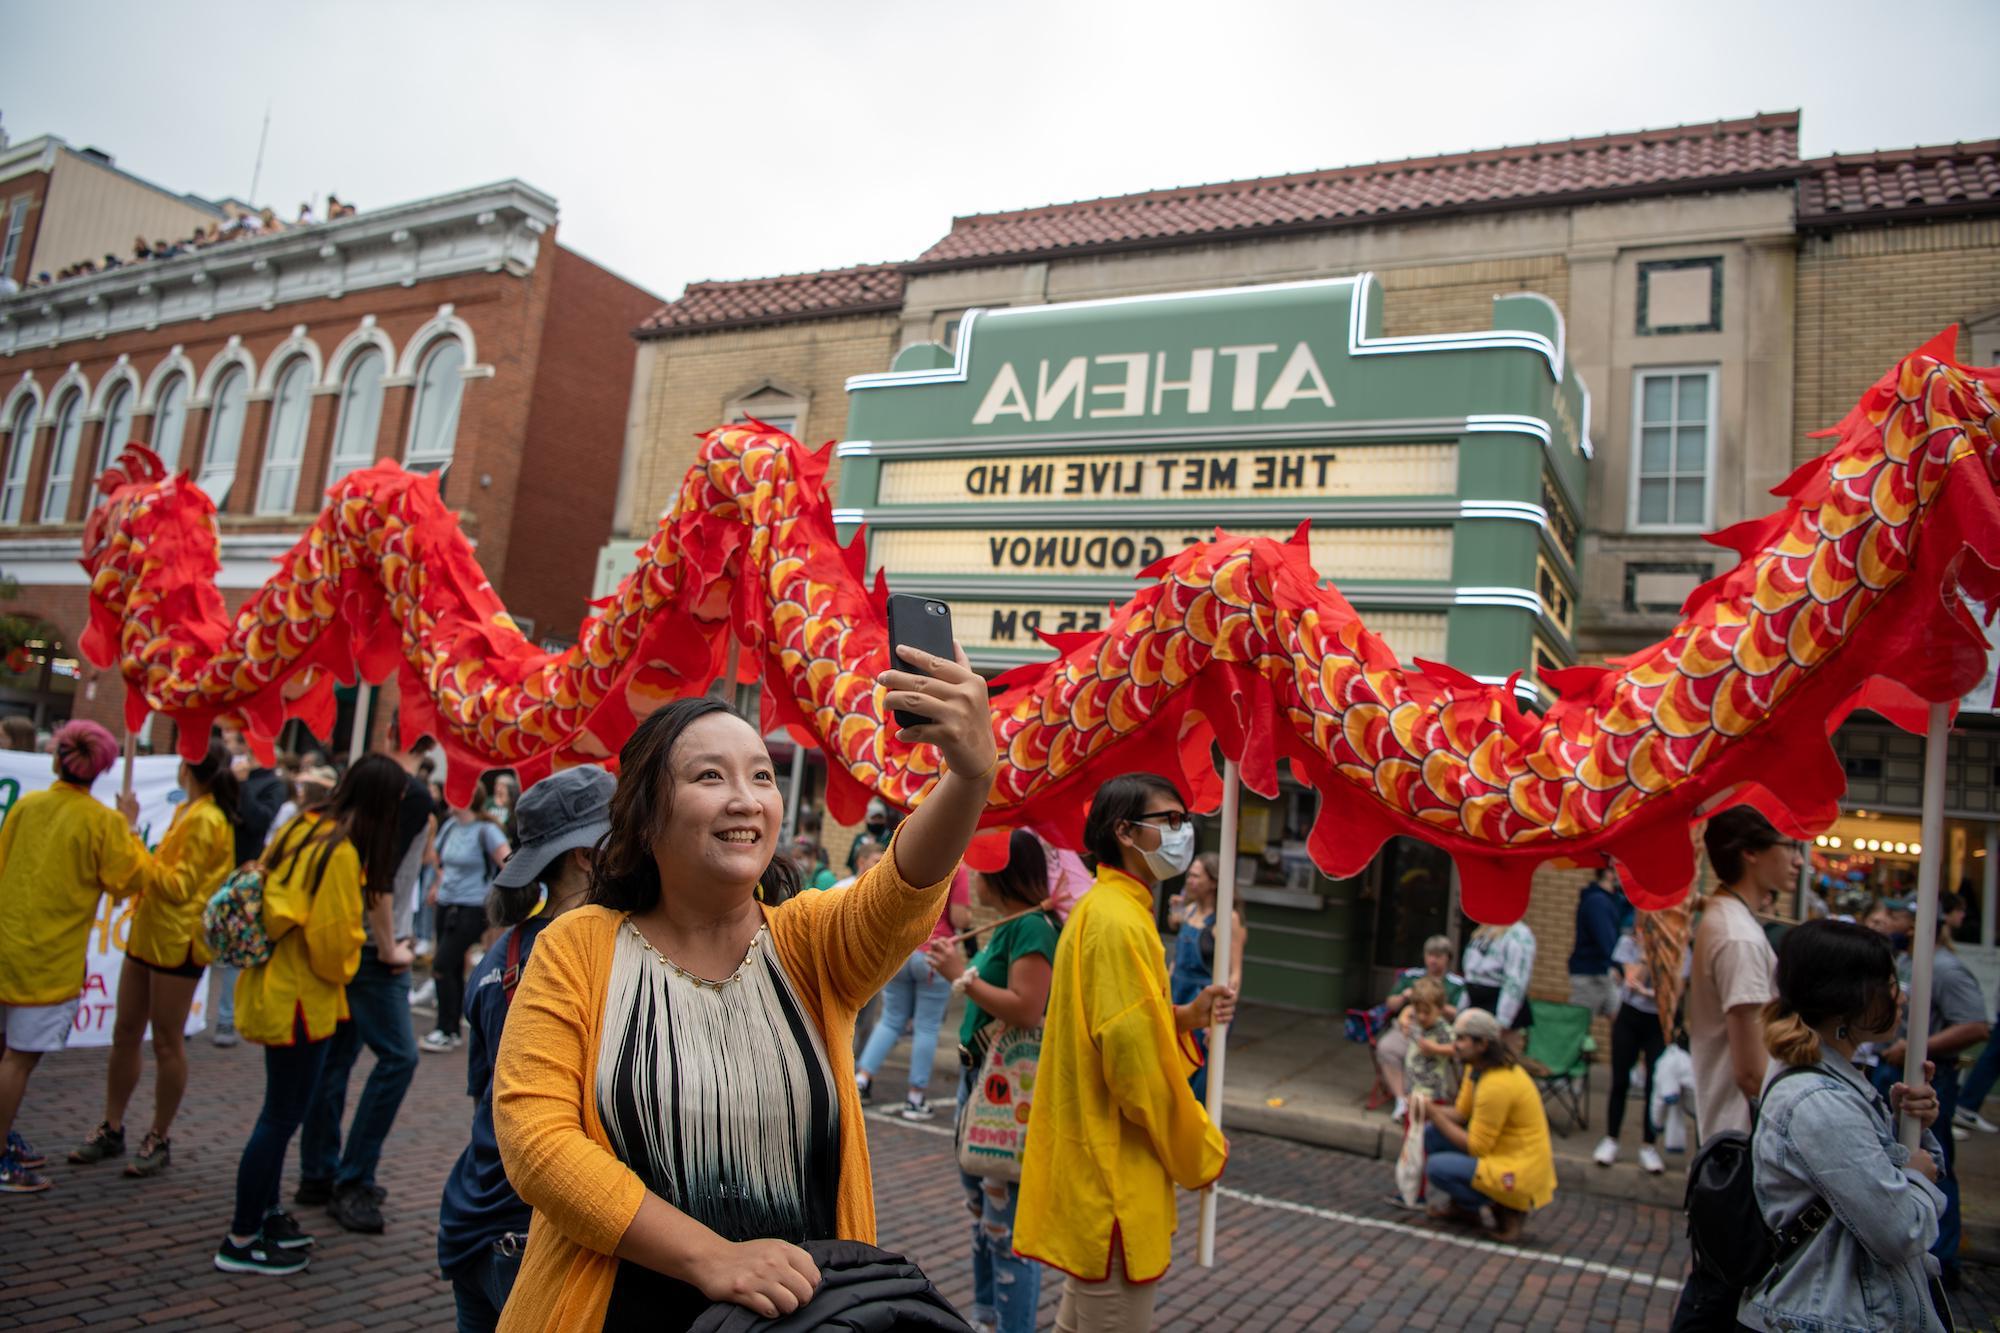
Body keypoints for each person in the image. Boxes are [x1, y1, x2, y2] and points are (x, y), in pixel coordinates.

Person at [491, 639, 993, 1331]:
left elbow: (901, 889)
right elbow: (538, 1142)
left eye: (761, 776)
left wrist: (968, 777)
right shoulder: (576, 946)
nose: (746, 799)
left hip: (799, 1317)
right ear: (645, 812)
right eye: (709, 776)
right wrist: (711, 1257)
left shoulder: (812, 942)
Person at [1015, 773, 1233, 1332]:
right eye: (1172, 820)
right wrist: (1199, 1149)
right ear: (1125, 831)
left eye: (1187, 821)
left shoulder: (1113, 909)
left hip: (1098, 1173)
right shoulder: (1116, 919)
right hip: (1111, 1177)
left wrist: (1185, 1017)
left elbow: (1122, 1031)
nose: (1184, 833)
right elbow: (1137, 1071)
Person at [438, 765, 613, 1333]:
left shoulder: (500, 956)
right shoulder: (584, 959)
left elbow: (485, 1098)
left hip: (472, 1218)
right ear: (587, 855)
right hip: (528, 1237)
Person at [213, 756, 398, 1275]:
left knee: (280, 1113)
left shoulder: (303, 822)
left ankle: (265, 1215)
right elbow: (334, 942)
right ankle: (242, 1236)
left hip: (276, 986)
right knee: (278, 1118)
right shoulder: (340, 851)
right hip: (301, 999)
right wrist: (357, 952)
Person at [1739, 919, 1949, 1332]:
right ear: (1851, 999)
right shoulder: (1820, 1102)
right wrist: (1917, 1176)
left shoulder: (1833, 1085)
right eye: (1889, 984)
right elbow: (1898, 1230)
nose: (1901, 997)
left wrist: (1913, 1128)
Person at [69, 737, 238, 1178]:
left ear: (189, 769)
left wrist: (130, 834)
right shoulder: (190, 812)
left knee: (166, 1040)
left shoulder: (206, 819)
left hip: (177, 944)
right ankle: (113, 1125)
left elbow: (179, 886)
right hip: (149, 937)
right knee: (126, 1031)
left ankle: (159, 1135)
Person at [0, 721, 143, 1194]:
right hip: (48, 961)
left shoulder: (26, 806)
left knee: (7, 1055)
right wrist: (127, 825)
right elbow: (126, 880)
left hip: (6, 945)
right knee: (18, 1061)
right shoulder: (100, 821)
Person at [923, 829, 1055, 1333]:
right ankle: (987, 1320)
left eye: (979, 866)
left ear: (1003, 871)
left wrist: (963, 974)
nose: (971, 877)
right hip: (979, 1080)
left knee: (1005, 1232)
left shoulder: (1034, 929)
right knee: (982, 1218)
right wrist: (960, 969)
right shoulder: (1009, 926)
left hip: (1005, 1090)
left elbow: (1027, 1008)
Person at [1671, 805, 1793, 1329]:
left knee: (1721, 1289)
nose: (1796, 863)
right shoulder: (1739, 937)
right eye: (1786, 847)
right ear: (1751, 854)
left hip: (1729, 1134)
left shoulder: (1726, 919)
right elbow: (1751, 1070)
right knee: (1719, 1293)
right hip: (1742, 1142)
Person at [295, 760, 428, 1233]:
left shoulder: (322, 823)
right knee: (398, 1058)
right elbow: (381, 884)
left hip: (348, 951)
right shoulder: (378, 819)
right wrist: (392, 947)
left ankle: (319, 1174)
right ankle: (350, 1179)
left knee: (336, 1060)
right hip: (370, 954)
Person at [1875, 894, 1987, 1289]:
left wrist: (1918, 1048)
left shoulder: (1947, 969)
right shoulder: (1908, 960)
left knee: (1936, 1162)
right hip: (1895, 1070)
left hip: (1930, 1076)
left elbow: (1976, 1026)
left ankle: (1944, 1258)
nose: (1890, 921)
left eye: (1899, 917)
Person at [1422, 1007, 1556, 1242]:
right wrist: (1425, 1107)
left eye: (1461, 1039)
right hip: (1502, 1153)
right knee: (1433, 1134)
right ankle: (1465, 1209)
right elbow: (1462, 1114)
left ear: (1482, 1044)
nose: (1455, 1044)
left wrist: (1434, 1113)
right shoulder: (1476, 1067)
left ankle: (1506, 1207)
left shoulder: (1497, 1084)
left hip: (1517, 1170)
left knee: (1436, 1167)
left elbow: (1477, 1146)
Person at [854, 861, 970, 1120]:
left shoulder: (908, 854)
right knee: (926, 1027)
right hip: (934, 953)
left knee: (890, 1020)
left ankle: (861, 1080)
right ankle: (915, 1097)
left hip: (902, 949)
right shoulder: (957, 868)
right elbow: (961, 917)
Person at [217, 731, 295, 1049]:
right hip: (216, 867)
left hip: (243, 875)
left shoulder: (271, 785)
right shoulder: (228, 777)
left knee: (235, 947)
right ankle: (192, 1014)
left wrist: (243, 785)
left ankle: (225, 1019)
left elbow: (260, 820)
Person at [424, 801, 511, 1053]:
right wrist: (437, 885)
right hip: (445, 904)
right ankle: (449, 1027)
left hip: (473, 907)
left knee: (441, 964)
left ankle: (446, 1028)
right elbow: (437, 860)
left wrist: (499, 899)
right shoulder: (451, 826)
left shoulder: (486, 830)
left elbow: (507, 863)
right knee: (450, 966)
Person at [1594, 926, 1675, 1174]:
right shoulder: (1629, 942)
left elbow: (1674, 992)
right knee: (1620, 1080)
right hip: (1629, 1017)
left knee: (1654, 1083)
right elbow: (1632, 982)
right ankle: (1611, 1139)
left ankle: (1648, 1146)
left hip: (1657, 1021)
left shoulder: (1677, 948)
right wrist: (1645, 955)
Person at [1168, 850, 1246, 1103]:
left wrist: (1220, 1020)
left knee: (1198, 1079)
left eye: (1196, 876)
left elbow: (1235, 974)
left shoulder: (1227, 919)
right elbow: (1176, 955)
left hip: (1205, 1004)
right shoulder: (1188, 912)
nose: (1189, 880)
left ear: (1213, 882)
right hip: (1178, 997)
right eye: (1189, 875)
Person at [1374, 936, 1467, 1121]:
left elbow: (1462, 1015)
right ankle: (1402, 1101)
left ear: (1448, 958)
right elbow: (1391, 1004)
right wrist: (1404, 998)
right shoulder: (1411, 976)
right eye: (1429, 955)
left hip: (1440, 1034)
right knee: (1387, 1047)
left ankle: (1439, 1103)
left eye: (1438, 956)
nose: (1433, 960)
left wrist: (1436, 1005)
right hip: (1410, 1029)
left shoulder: (1456, 985)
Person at [1462, 920, 1536, 1051]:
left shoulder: (1519, 933)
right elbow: (1471, 973)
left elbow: (1516, 978)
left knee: (1501, 1058)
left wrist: (1502, 1020)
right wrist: (1462, 1009)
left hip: (1498, 1006)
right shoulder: (1484, 928)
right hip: (1478, 1005)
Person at [1567, 869, 1623, 1019]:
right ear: (1608, 873)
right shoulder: (1598, 901)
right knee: (1579, 1022)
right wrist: (1616, 965)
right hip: (1592, 973)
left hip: (1601, 970)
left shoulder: (1609, 900)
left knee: (1620, 1017)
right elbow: (1605, 937)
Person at [1398, 976, 1459, 1104]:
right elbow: (1407, 1011)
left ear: (1440, 1009)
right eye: (1418, 1011)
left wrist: (1435, 1048)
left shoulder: (1442, 1029)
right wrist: (1403, 1020)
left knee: (1426, 1123)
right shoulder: (1415, 1022)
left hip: (1432, 1094)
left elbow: (1456, 1048)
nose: (1421, 1016)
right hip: (1412, 1087)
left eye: (1426, 1012)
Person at [849, 798, 898, 871]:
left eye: (880, 818)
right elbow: (851, 862)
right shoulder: (859, 838)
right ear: (866, 819)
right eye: (873, 818)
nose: (877, 821)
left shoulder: (891, 838)